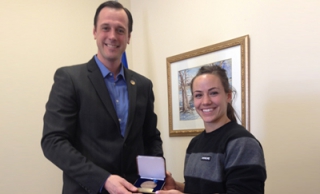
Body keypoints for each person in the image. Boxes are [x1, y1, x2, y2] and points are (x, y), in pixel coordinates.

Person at [41, 1, 163, 194]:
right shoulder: (70, 79)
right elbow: (53, 142)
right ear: (95, 32)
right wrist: (103, 179)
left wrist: (155, 178)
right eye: (105, 28)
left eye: (120, 30)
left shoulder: (143, 85)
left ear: (129, 37)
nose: (112, 36)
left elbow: (151, 138)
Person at [156, 65, 266, 194]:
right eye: (198, 95)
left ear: (228, 96)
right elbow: (201, 189)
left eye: (213, 93)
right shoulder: (195, 143)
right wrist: (177, 186)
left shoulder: (243, 143)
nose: (206, 101)